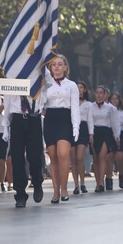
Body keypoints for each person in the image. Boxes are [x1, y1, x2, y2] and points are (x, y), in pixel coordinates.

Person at [42, 55, 80, 203]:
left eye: (59, 64)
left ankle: (64, 188)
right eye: (53, 65)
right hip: (50, 118)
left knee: (63, 154)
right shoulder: (46, 84)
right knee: (53, 157)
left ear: (65, 67)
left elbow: (75, 108)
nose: (56, 67)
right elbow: (42, 104)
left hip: (65, 119)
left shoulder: (72, 85)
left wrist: (75, 127)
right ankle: (56, 191)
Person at [2, 90, 46, 208]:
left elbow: (49, 84)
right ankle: (20, 193)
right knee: (17, 158)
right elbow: (7, 102)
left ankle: (37, 182)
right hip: (17, 119)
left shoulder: (38, 75)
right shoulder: (12, 75)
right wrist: (6, 127)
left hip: (34, 118)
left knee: (35, 155)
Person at [91, 86, 120, 192]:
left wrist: (117, 137)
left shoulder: (110, 108)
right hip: (94, 132)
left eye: (101, 93)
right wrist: (90, 134)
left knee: (102, 156)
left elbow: (114, 123)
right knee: (96, 158)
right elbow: (89, 120)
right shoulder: (91, 106)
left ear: (105, 95)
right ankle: (97, 181)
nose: (99, 95)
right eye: (97, 92)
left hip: (106, 132)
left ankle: (101, 182)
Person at [71, 81, 93, 194]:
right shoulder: (71, 102)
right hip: (71, 128)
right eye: (77, 87)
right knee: (73, 159)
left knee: (80, 157)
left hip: (83, 128)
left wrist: (91, 134)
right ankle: (76, 185)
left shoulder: (88, 104)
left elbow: (90, 120)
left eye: (81, 87)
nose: (79, 89)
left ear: (84, 90)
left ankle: (83, 183)